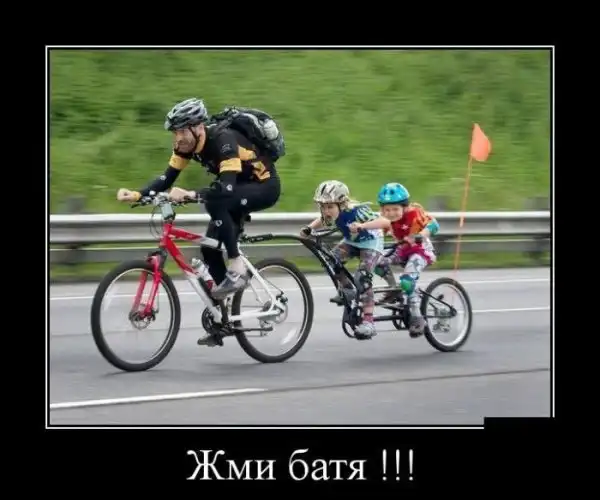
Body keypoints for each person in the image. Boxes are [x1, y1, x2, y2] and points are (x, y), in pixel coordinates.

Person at [116, 97, 282, 301]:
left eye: (182, 131)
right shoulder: (187, 146)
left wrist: (191, 194)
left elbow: (226, 188)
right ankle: (223, 308)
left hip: (264, 186)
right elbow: (167, 178)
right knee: (209, 248)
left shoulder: (223, 141)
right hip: (238, 188)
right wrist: (137, 194)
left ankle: (237, 266)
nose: (178, 138)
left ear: (199, 128)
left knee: (216, 201)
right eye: (175, 133)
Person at [299, 180, 389, 339]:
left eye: (330, 207)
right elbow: (322, 220)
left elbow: (385, 222)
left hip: (371, 242)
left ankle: (369, 322)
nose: (326, 211)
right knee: (330, 260)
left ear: (341, 204)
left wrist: (362, 226)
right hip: (352, 242)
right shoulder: (331, 213)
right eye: (323, 207)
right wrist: (309, 229)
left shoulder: (357, 212)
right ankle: (348, 290)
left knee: (363, 278)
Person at [372, 182, 440, 338]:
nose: (391, 213)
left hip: (420, 251)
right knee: (376, 261)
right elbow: (377, 232)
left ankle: (417, 318)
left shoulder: (414, 213)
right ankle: (393, 290)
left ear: (405, 207)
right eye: (387, 210)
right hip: (402, 250)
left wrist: (420, 235)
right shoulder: (386, 220)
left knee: (407, 281)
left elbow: (434, 225)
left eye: (395, 209)